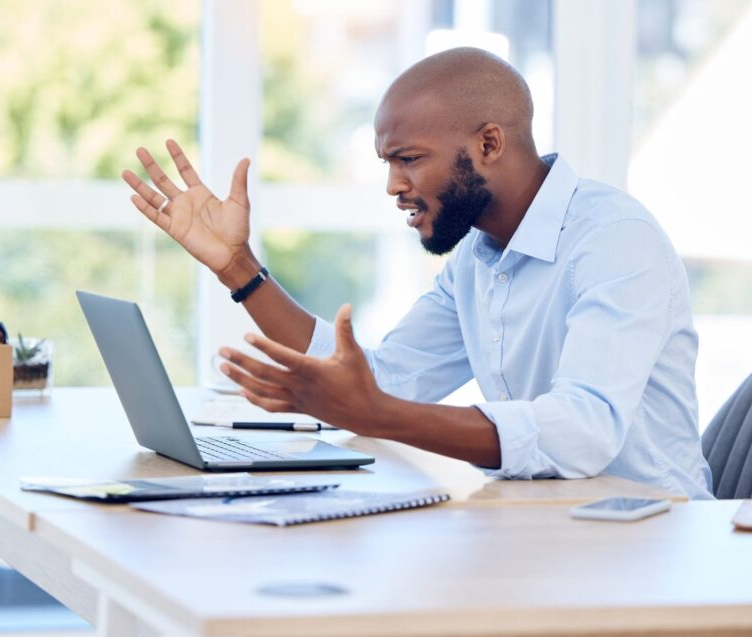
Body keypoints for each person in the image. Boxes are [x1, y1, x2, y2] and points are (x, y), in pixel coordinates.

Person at [122, 47, 713, 499]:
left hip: (653, 543)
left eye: (408, 159)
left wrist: (380, 415)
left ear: (488, 143)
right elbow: (385, 381)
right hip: (553, 527)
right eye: (388, 163)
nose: (393, 186)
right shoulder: (478, 262)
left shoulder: (612, 240)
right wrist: (237, 267)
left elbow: (584, 430)